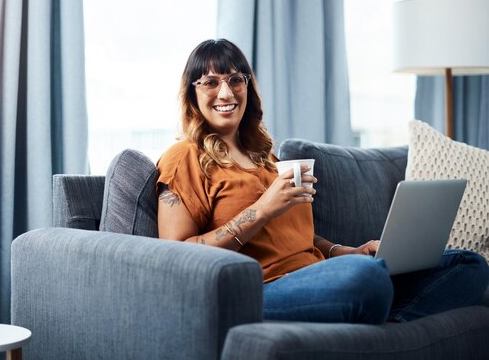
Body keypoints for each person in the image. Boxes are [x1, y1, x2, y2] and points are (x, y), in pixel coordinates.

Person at [156, 38, 489, 324]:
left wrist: (344, 251)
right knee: (367, 279)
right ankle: (370, 304)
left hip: (318, 275)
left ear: (247, 86)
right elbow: (177, 256)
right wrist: (261, 210)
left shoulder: (265, 157)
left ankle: (385, 318)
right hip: (260, 289)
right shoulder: (184, 157)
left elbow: (294, 236)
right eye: (211, 82)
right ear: (192, 93)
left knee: (468, 264)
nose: (226, 92)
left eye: (235, 79)